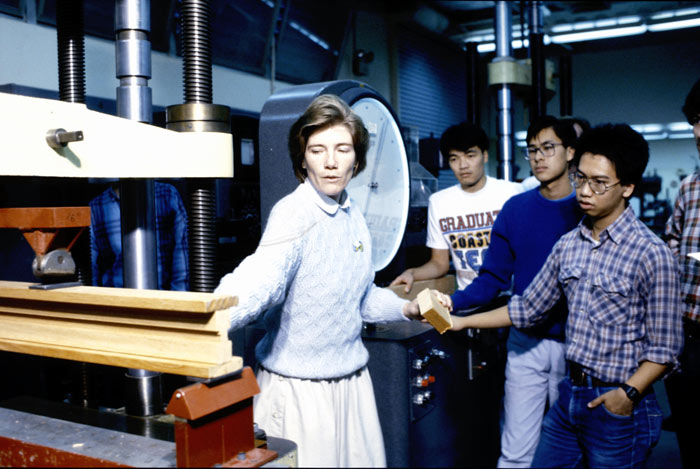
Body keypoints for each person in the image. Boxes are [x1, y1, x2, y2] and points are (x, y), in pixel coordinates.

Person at [433, 123, 682, 468]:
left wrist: (627, 395)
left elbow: (665, 348)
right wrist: (460, 322)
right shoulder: (568, 246)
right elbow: (526, 309)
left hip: (617, 400)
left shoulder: (652, 254)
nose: (585, 191)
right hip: (571, 392)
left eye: (599, 183)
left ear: (627, 187)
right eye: (581, 179)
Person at [214, 94, 424, 467]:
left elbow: (359, 298)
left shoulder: (353, 214)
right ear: (303, 157)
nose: (330, 162)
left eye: (342, 149)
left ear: (356, 159)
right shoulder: (295, 213)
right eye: (317, 149)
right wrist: (206, 319)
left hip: (351, 385)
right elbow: (260, 280)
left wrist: (405, 307)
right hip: (298, 393)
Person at [450, 116, 582, 467]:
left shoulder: (586, 208)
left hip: (579, 346)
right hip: (525, 343)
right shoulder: (516, 209)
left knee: (574, 450)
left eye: (548, 148)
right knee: (515, 452)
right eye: (532, 150)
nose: (538, 158)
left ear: (570, 152)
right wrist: (451, 301)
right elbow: (492, 278)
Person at [390, 122, 522, 292]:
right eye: (454, 158)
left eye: (470, 156)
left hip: (510, 297)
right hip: (469, 299)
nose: (463, 165)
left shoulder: (512, 193)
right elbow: (439, 264)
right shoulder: (439, 202)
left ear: (485, 155)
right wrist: (412, 273)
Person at [664, 77, 700, 469]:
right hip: (686, 334)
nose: (698, 131)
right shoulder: (690, 188)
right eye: (695, 120)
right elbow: (673, 239)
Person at [89, 181, 189, 290]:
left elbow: (182, 255)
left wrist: (178, 300)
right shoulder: (96, 207)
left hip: (164, 298)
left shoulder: (167, 195)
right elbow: (91, 269)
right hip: (117, 301)